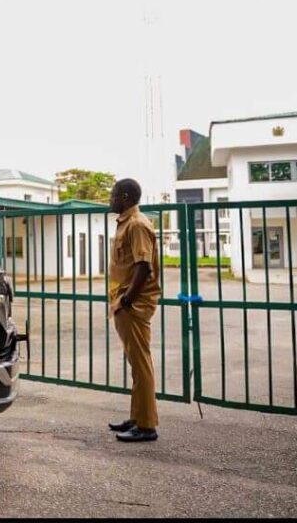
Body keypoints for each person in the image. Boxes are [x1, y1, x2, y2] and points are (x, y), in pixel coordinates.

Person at [107, 178, 161, 442]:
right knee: (136, 363)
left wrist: (127, 300)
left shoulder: (137, 225)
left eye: (113, 195)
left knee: (141, 365)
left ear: (126, 197)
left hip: (134, 305)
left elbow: (143, 266)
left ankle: (147, 426)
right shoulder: (127, 224)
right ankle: (137, 417)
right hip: (125, 303)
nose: (110, 199)